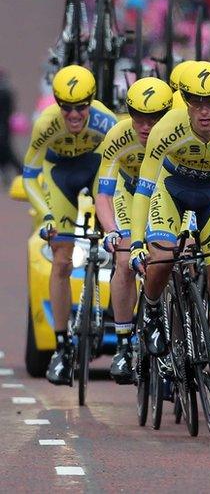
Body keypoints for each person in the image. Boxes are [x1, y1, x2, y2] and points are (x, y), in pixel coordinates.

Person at [128, 61, 210, 409]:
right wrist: (136, 243)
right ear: (186, 102)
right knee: (162, 258)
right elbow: (145, 189)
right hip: (172, 191)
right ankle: (150, 311)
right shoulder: (167, 128)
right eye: (196, 103)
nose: (205, 111)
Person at [22, 65, 117, 385]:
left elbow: (127, 167)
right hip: (59, 175)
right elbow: (31, 175)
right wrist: (46, 215)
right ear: (57, 104)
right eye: (66, 107)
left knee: (121, 244)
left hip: (96, 168)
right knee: (61, 259)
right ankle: (62, 349)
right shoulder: (46, 124)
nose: (73, 115)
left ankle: (127, 335)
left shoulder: (107, 123)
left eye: (81, 107)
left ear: (92, 101)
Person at [93, 77, 173, 384]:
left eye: (154, 119)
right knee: (125, 258)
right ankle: (124, 345)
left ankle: (182, 340)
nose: (145, 126)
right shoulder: (118, 136)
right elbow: (103, 193)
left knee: (181, 260)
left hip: (165, 194)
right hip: (128, 193)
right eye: (139, 118)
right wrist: (111, 229)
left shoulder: (175, 135)